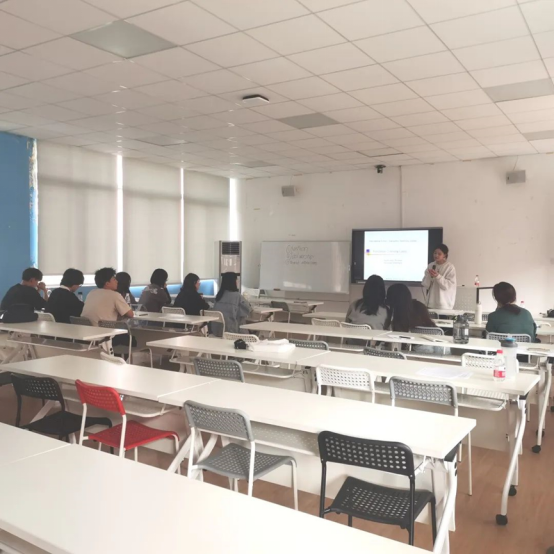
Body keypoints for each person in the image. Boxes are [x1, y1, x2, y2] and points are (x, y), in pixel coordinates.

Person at [212, 272, 251, 336]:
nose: (237, 282)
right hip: (232, 331)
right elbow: (248, 310)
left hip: (217, 331)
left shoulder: (219, 296)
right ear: (233, 282)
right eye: (236, 280)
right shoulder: (237, 296)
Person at [422, 244, 457, 310]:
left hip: (444, 305)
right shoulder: (431, 265)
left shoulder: (449, 267)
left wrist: (437, 276)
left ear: (444, 255)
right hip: (430, 303)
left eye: (439, 254)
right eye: (435, 253)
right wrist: (429, 276)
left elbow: (448, 286)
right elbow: (426, 284)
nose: (436, 255)